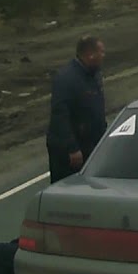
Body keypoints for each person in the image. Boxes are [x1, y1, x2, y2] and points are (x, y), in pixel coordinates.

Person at [46, 36, 107, 183]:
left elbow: (96, 110)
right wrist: (72, 148)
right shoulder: (66, 79)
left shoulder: (93, 75)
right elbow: (60, 116)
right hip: (70, 150)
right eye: (101, 52)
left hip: (89, 143)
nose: (103, 55)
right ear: (90, 55)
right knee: (68, 186)